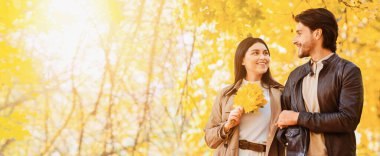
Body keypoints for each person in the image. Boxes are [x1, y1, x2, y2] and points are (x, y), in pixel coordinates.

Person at [276, 8, 364, 156]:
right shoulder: (294, 76)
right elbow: (284, 118)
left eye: (299, 33)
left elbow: (348, 120)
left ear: (317, 33)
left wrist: (299, 118)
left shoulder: (348, 71)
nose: (294, 40)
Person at [204, 37, 285, 156]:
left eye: (265, 53)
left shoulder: (280, 94)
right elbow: (209, 139)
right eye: (255, 53)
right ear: (242, 60)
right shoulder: (226, 94)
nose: (263, 57)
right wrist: (227, 126)